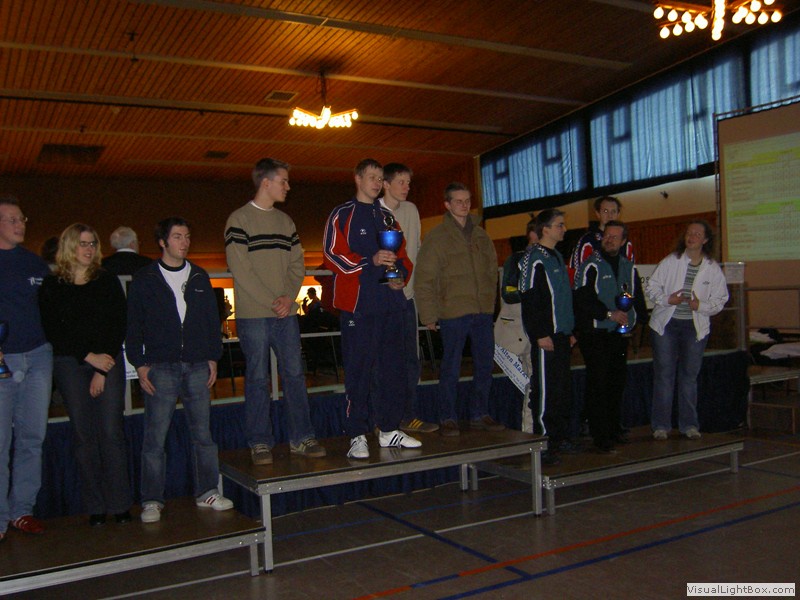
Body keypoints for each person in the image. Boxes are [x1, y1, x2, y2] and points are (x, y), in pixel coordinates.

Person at [126, 217, 233, 523]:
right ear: (162, 242)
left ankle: (207, 491)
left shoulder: (199, 276)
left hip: (197, 364)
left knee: (203, 434)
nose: (184, 242)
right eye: (177, 237)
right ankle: (151, 499)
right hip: (161, 366)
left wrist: (213, 356)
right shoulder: (145, 278)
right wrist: (139, 364)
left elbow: (211, 321)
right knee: (155, 437)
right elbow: (133, 325)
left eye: (187, 236)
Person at [224, 158, 326, 465]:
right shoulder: (239, 220)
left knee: (295, 374)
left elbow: (297, 265)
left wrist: (288, 297)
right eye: (284, 181)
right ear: (266, 183)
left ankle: (302, 437)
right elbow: (241, 270)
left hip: (285, 312)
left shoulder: (286, 222)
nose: (288, 187)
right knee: (257, 377)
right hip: (255, 314)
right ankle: (259, 442)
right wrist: (274, 301)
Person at [323, 158, 421, 459]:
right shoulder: (342, 214)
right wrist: (370, 261)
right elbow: (332, 254)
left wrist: (399, 277)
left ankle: (389, 429)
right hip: (359, 306)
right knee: (359, 372)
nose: (377, 183)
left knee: (393, 370)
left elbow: (402, 255)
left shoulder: (388, 217)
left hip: (391, 304)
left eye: (380, 178)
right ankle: (357, 434)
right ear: (357, 179)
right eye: (372, 177)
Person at [38, 223, 132, 526]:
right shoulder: (52, 285)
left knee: (111, 433)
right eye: (83, 243)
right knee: (84, 435)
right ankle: (95, 507)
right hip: (70, 363)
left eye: (92, 243)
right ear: (69, 246)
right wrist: (88, 357)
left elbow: (118, 324)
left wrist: (101, 368)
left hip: (108, 361)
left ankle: (120, 504)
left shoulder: (107, 280)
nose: (89, 249)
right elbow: (55, 329)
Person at [415, 182, 504, 436]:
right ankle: (447, 416)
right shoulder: (437, 237)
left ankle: (480, 412)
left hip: (482, 311)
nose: (464, 205)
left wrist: (489, 304)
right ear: (447, 204)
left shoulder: (481, 235)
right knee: (450, 367)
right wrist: (429, 314)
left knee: (485, 365)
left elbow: (492, 271)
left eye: (467, 201)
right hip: (452, 312)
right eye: (458, 201)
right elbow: (425, 278)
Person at [0, 195, 53, 541]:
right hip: (3, 361)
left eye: (22, 219)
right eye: (12, 219)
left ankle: (22, 510)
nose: (20, 225)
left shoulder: (35, 264)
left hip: (37, 357)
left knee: (32, 438)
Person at [646, 220, 728, 441]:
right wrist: (667, 299)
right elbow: (651, 287)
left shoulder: (712, 268)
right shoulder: (671, 261)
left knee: (689, 377)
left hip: (694, 328)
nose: (691, 237)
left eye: (697, 234)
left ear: (706, 240)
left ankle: (689, 425)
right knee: (664, 375)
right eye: (689, 233)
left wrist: (700, 306)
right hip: (667, 326)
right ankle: (661, 425)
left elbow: (721, 299)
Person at [573, 220, 645, 453]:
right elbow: (582, 299)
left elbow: (637, 299)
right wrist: (608, 314)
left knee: (616, 382)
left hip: (618, 335)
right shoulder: (590, 266)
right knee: (599, 383)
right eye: (607, 235)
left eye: (615, 237)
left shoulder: (628, 266)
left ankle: (614, 428)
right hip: (595, 333)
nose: (609, 239)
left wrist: (637, 324)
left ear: (623, 241)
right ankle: (600, 434)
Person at [376, 163, 437, 434]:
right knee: (383, 362)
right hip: (381, 300)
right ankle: (382, 420)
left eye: (409, 183)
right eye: (401, 182)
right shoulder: (373, 211)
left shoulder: (411, 210)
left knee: (411, 360)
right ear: (385, 184)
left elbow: (417, 249)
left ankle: (408, 416)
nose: (406, 187)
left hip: (407, 297)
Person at [518, 208, 577, 464]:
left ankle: (559, 438)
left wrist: (569, 330)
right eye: (559, 225)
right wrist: (539, 334)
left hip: (562, 335)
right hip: (545, 337)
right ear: (546, 229)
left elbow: (563, 298)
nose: (564, 229)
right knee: (544, 392)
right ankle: (542, 443)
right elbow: (530, 298)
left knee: (561, 389)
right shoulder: (534, 258)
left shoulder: (557, 257)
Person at [494, 216, 537, 433]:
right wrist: (532, 295)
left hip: (542, 329)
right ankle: (529, 431)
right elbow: (508, 292)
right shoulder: (517, 259)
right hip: (521, 330)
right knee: (532, 382)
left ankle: (537, 430)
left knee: (537, 383)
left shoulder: (553, 259)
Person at [569, 196, 634, 275]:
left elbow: (630, 271)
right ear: (598, 214)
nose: (610, 215)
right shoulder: (588, 241)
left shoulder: (625, 242)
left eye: (613, 211)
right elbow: (576, 271)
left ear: (618, 214)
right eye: (605, 211)